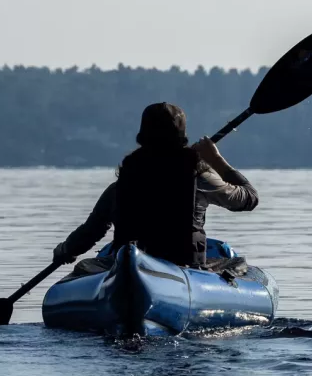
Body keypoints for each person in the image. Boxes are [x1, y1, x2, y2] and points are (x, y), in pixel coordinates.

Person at [53, 102, 258, 271]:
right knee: (237, 264)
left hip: (126, 265)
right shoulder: (200, 178)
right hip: (184, 266)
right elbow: (249, 199)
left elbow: (91, 231)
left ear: (143, 134)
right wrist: (215, 159)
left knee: (84, 266)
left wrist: (65, 250)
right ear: (181, 134)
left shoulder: (125, 179)